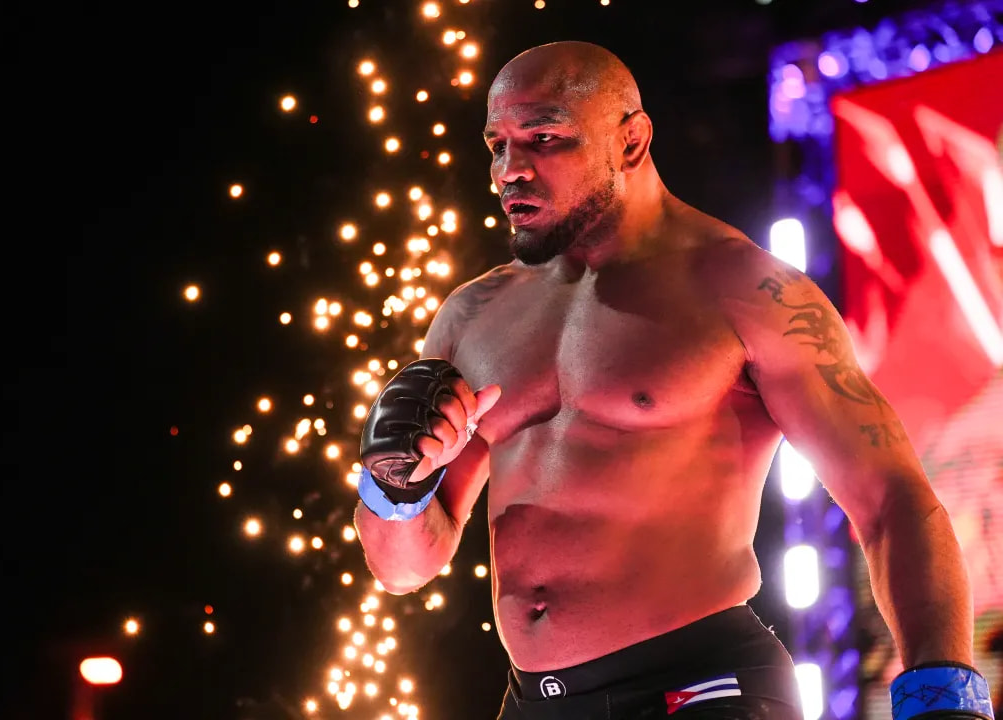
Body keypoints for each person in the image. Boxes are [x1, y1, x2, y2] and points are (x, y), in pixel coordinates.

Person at [353, 41, 993, 720]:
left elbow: (892, 500)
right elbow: (403, 569)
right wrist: (396, 488)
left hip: (702, 687)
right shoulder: (473, 316)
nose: (511, 169)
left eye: (544, 138)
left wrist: (942, 699)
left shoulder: (743, 288)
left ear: (631, 140)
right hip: (536, 702)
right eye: (498, 145)